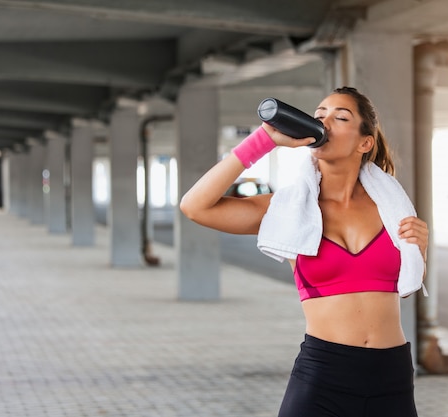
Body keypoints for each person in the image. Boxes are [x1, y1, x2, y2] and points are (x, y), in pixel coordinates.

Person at [180, 86, 428, 417]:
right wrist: (263, 141)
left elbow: (399, 290)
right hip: (325, 374)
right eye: (319, 116)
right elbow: (195, 207)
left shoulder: (392, 210)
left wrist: (417, 252)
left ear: (364, 142)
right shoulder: (289, 210)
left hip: (391, 373)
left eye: (341, 117)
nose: (325, 122)